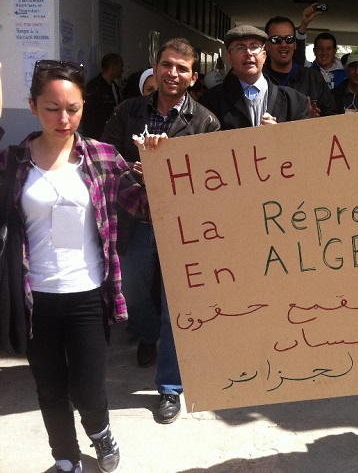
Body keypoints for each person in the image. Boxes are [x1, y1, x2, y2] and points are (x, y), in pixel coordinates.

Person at [0, 59, 149, 473]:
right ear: (32, 105)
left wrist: (155, 169)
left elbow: (144, 207)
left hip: (87, 293)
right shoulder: (11, 163)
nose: (64, 119)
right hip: (34, 298)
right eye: (52, 108)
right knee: (49, 388)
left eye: (74, 108)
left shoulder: (101, 157)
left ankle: (100, 433)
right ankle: (65, 457)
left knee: (87, 388)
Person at [101, 38, 220, 424]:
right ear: (156, 66)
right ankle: (146, 333)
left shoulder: (205, 120)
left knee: (177, 308)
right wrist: (135, 171)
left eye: (182, 68)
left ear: (193, 76)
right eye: (167, 65)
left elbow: (212, 177)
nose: (173, 73)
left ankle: (170, 387)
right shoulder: (128, 111)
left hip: (182, 225)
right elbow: (106, 158)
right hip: (135, 219)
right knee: (133, 293)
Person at [200, 25, 308, 130]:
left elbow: (302, 144)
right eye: (240, 48)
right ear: (229, 58)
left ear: (264, 56)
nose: (248, 53)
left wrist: (278, 136)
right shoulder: (212, 100)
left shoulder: (295, 101)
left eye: (254, 47)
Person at [263, 16, 337, 117]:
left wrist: (315, 122)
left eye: (289, 39)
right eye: (277, 39)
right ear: (266, 45)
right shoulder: (257, 79)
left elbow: (332, 117)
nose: (284, 44)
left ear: (295, 44)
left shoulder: (314, 79)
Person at [293, 5, 347, 90]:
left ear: (334, 51)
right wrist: (304, 24)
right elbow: (298, 51)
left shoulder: (345, 75)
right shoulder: (307, 70)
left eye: (328, 49)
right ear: (314, 51)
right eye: (320, 48)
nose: (324, 52)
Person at [80, 53, 124, 139]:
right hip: (97, 137)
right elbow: (89, 117)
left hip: (113, 135)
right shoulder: (94, 87)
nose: (123, 70)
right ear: (114, 67)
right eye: (121, 66)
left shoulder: (114, 86)